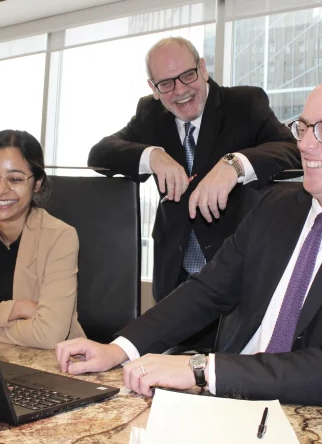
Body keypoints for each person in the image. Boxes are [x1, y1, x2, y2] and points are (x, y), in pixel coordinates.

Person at [57, 76, 322, 408]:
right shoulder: (275, 207)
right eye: (302, 128)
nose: (305, 144)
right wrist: (118, 349)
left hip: (317, 419)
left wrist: (201, 369)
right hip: (228, 406)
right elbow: (206, 291)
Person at [88, 37, 300, 304]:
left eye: (187, 75)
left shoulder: (245, 103)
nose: (180, 91)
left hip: (238, 275)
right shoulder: (149, 113)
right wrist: (152, 156)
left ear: (202, 68)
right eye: (166, 83)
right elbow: (99, 154)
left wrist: (234, 164)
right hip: (174, 279)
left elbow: (294, 153)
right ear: (154, 88)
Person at [0, 129, 84, 349]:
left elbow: (49, 335)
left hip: (50, 366)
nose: (0, 189)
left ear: (37, 183)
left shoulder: (59, 237)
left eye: (15, 179)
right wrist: (16, 309)